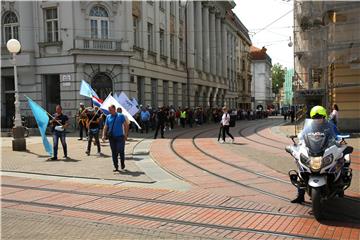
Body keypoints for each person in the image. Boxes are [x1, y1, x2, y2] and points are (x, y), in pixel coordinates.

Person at [291, 105, 335, 203]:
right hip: (312, 150)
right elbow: (302, 135)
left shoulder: (329, 125)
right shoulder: (309, 126)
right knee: (301, 168)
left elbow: (335, 135)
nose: (317, 119)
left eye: (320, 117)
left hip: (324, 150)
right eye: (315, 118)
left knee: (336, 162)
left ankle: (336, 186)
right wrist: (300, 140)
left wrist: (337, 140)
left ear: (324, 117)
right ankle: (300, 195)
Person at [102, 105, 129, 171]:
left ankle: (122, 164)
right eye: (109, 110)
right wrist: (103, 135)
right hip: (112, 137)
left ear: (114, 109)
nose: (109, 111)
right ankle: (116, 166)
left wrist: (125, 134)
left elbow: (126, 125)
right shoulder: (108, 117)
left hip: (120, 136)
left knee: (121, 150)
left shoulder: (120, 116)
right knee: (114, 152)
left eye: (110, 110)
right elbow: (105, 126)